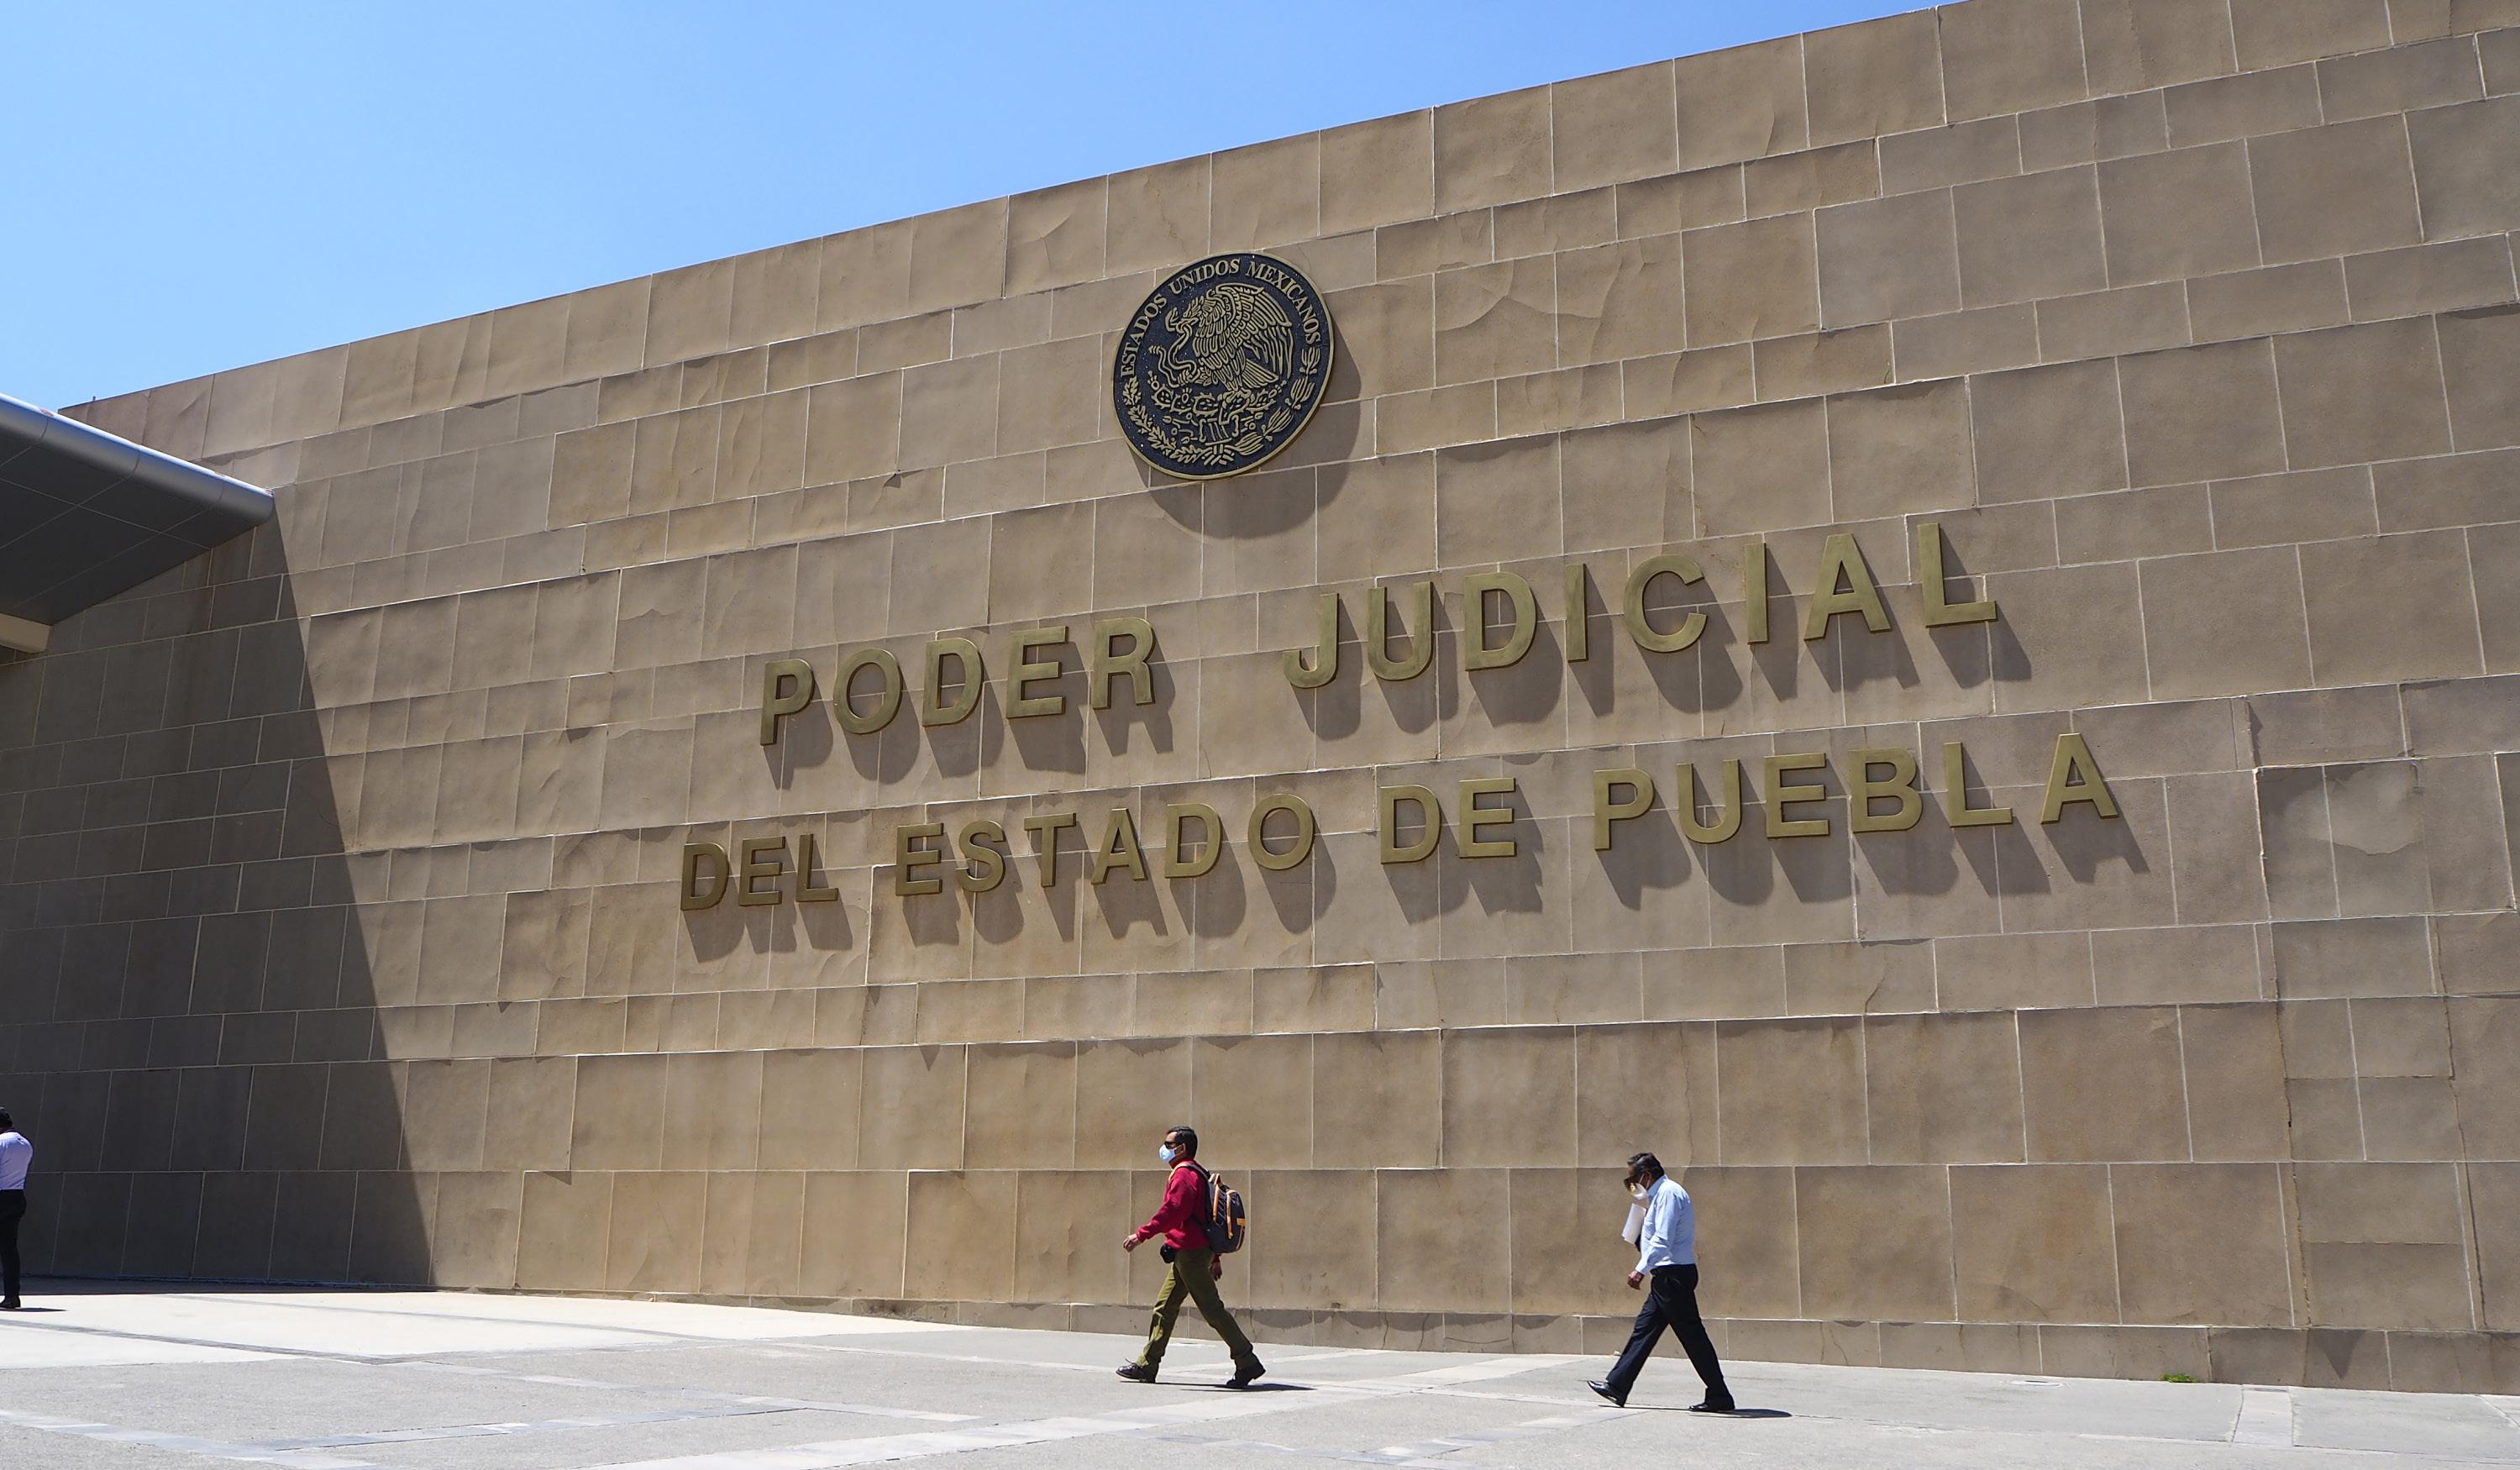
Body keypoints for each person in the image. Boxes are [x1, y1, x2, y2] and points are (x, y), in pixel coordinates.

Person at [1115, 1125, 1264, 1388]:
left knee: (1212, 1310)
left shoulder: (1184, 1175)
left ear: (1182, 1148)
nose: (1164, 1149)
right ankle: (1147, 1365)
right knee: (1164, 1307)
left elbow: (1173, 1211)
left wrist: (1141, 1234)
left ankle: (1247, 1360)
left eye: (1168, 1144)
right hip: (1189, 1253)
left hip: (1191, 1256)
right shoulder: (1198, 1173)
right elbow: (1206, 1218)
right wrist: (1214, 1256)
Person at [1588, 1151, 1732, 1412]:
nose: (1632, 1184)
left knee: (1693, 1338)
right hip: (1667, 1276)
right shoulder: (1659, 1195)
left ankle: (1720, 1395)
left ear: (1647, 1175)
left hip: (1673, 1276)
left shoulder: (1668, 1194)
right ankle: (1617, 1385)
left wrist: (1640, 1269)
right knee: (1644, 1331)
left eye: (1633, 1178)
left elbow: (1663, 1240)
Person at [0, 1108, 29, 1310]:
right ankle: (12, 1296)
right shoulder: (25, 1143)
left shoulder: (1, 1143)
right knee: (9, 1250)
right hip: (17, 1196)